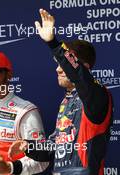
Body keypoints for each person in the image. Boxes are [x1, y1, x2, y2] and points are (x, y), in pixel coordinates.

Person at [9, 9, 113, 175]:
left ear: (83, 67)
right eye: (57, 64)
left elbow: (78, 74)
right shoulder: (67, 100)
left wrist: (54, 44)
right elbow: (54, 146)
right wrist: (29, 146)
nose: (58, 69)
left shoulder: (96, 94)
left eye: (62, 65)